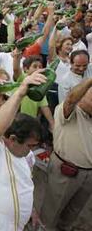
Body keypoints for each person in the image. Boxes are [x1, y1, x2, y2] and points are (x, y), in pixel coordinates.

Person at [0, 70, 46, 231]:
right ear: (12, 139)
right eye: (30, 145)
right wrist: (19, 93)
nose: (32, 151)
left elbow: (24, 184)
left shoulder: (27, 156)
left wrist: (30, 209)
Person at [40, 78, 92, 230]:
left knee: (73, 212)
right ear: (81, 96)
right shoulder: (68, 110)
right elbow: (70, 99)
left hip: (88, 176)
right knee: (51, 211)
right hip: (66, 172)